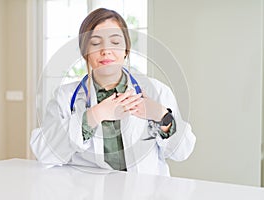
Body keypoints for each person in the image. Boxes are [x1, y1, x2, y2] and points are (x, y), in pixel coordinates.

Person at [30, 8, 196, 176]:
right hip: (89, 191)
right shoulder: (65, 97)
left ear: (126, 49)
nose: (106, 51)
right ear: (84, 51)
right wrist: (93, 116)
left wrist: (161, 115)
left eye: (115, 42)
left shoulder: (157, 91)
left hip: (145, 191)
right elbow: (44, 153)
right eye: (95, 43)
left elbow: (182, 152)